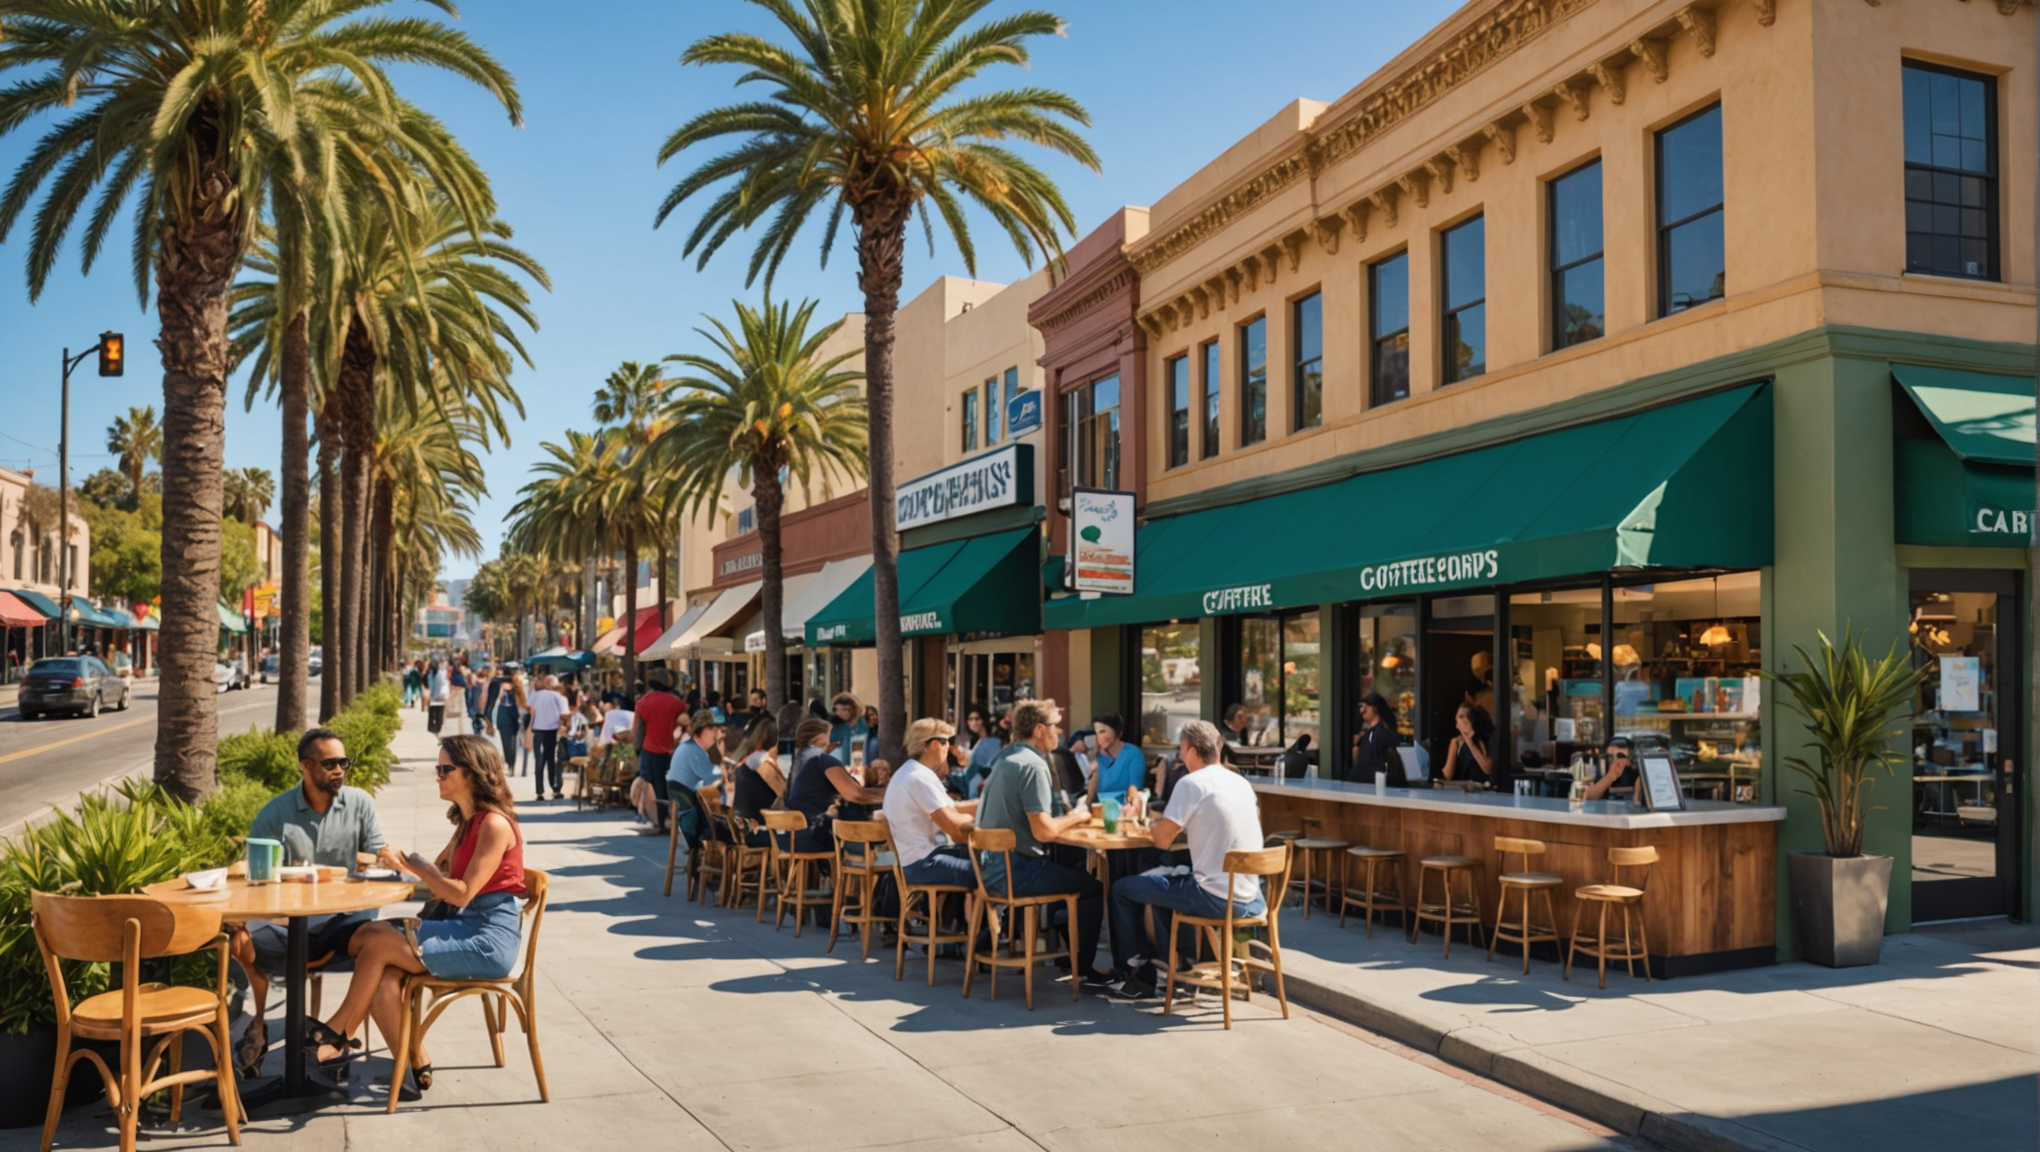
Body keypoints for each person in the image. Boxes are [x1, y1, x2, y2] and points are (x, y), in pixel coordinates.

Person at [309, 735, 525, 1100]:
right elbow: (435, 884)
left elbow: (460, 891)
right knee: (378, 966)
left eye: (445, 769)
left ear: (472, 773)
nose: (438, 776)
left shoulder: (494, 825)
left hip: (488, 940)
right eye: (437, 769)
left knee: (375, 941)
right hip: (463, 925)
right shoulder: (468, 823)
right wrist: (402, 867)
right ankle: (412, 1062)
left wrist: (422, 868)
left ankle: (338, 1032)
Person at [229, 727, 386, 1076]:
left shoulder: (359, 802)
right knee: (238, 941)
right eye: (330, 763)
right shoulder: (276, 812)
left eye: (344, 762)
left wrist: (378, 861)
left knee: (378, 937)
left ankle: (318, 1033)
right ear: (305, 766)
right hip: (290, 920)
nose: (340, 770)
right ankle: (262, 1024)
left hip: (344, 918)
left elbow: (378, 853)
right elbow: (258, 872)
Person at [1107, 719, 1266, 999]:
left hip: (1215, 897)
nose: (1180, 756)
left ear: (1192, 750)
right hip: (1253, 897)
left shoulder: (1191, 783)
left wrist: (1147, 820)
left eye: (1181, 749)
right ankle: (1180, 964)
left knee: (1122, 889)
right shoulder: (1240, 782)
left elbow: (1162, 840)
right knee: (1165, 881)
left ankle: (1137, 977)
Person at [973, 699, 1111, 990]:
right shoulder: (1033, 765)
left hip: (993, 871)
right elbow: (1045, 831)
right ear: (1038, 729)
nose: (1059, 732)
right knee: (1092, 887)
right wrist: (1079, 816)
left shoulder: (1006, 758)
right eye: (1054, 726)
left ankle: (1065, 950)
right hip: (1017, 871)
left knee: (1070, 872)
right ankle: (1083, 970)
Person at [885, 718, 978, 928]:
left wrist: (984, 804)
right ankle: (980, 940)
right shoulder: (919, 777)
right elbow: (954, 829)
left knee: (988, 862)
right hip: (924, 863)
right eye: (946, 742)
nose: (949, 748)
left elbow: (952, 809)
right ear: (933, 744)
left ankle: (960, 935)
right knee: (990, 871)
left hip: (922, 858)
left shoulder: (913, 771)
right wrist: (978, 820)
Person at [779, 716, 884, 853]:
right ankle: (863, 867)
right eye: (829, 734)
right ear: (821, 737)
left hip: (789, 836)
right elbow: (856, 794)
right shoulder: (822, 759)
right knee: (869, 840)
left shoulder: (797, 760)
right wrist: (889, 793)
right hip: (811, 835)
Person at [632, 674, 686, 834]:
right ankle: (671, 819)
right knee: (668, 786)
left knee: (651, 786)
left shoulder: (643, 702)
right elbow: (684, 722)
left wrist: (637, 749)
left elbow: (637, 730)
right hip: (669, 751)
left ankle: (657, 821)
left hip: (649, 750)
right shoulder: (676, 703)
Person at [527, 673, 569, 802]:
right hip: (552, 731)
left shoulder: (535, 695)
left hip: (538, 731)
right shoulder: (559, 697)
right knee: (552, 760)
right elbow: (564, 714)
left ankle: (539, 792)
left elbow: (530, 708)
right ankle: (555, 788)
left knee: (539, 761)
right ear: (552, 684)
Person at [1087, 713, 1147, 804]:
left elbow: (1134, 789)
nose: (1099, 737)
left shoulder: (1133, 754)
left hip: (1125, 808)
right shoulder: (1098, 757)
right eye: (1097, 733)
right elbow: (1091, 795)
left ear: (1118, 733)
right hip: (1100, 809)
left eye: (1103, 731)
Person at [1349, 692, 1406, 787]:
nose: (1362, 710)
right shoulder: (1369, 734)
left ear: (1375, 708)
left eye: (1366, 707)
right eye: (1362, 706)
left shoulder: (1382, 734)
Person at [1442, 702, 1502, 789]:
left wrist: (1470, 741)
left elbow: (1487, 768)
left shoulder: (1485, 738)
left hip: (1482, 789)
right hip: (1462, 790)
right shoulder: (1456, 742)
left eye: (1462, 717)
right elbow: (1447, 775)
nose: (1458, 724)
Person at [1583, 736, 1643, 802]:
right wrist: (1610, 777)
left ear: (1629, 759)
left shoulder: (1635, 773)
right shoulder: (1603, 770)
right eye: (1610, 757)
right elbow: (1590, 797)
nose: (1615, 760)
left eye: (1620, 756)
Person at [827, 692, 868, 760]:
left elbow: (859, 742)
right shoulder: (834, 723)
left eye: (846, 710)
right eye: (838, 710)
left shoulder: (860, 723)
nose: (842, 713)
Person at [426, 660, 449, 735]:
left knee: (432, 713)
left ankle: (431, 727)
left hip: (433, 697)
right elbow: (444, 682)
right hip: (441, 696)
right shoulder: (441, 673)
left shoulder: (430, 675)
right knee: (440, 713)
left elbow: (430, 687)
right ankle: (438, 727)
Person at [447, 660, 469, 735]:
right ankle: (460, 730)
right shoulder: (457, 673)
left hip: (457, 691)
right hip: (459, 691)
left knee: (460, 712)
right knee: (461, 712)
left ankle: (460, 730)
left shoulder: (456, 672)